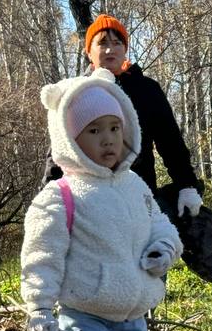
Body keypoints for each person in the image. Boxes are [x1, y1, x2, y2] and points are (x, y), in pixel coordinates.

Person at [20, 69, 181, 331]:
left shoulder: (135, 187)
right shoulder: (61, 196)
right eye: (94, 131)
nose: (108, 139)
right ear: (72, 140)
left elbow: (162, 227)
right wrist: (38, 309)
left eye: (114, 128)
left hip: (131, 319)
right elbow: (41, 257)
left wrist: (163, 250)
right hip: (83, 318)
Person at [84, 14, 204, 218]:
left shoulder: (147, 90)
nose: (110, 49)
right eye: (102, 43)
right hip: (90, 200)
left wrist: (186, 185)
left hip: (139, 197)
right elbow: (61, 149)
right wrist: (53, 195)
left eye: (117, 43)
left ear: (125, 50)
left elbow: (170, 142)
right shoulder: (78, 93)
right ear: (89, 52)